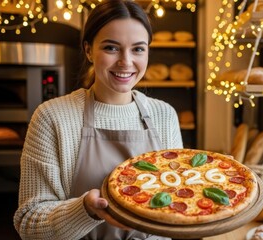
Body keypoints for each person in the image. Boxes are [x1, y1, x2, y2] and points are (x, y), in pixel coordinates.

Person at [13, 1, 183, 239]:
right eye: (111, 48)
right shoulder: (52, 117)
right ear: (88, 50)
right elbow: (29, 223)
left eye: (138, 49)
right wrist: (86, 211)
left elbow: (175, 209)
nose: (126, 62)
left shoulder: (164, 115)